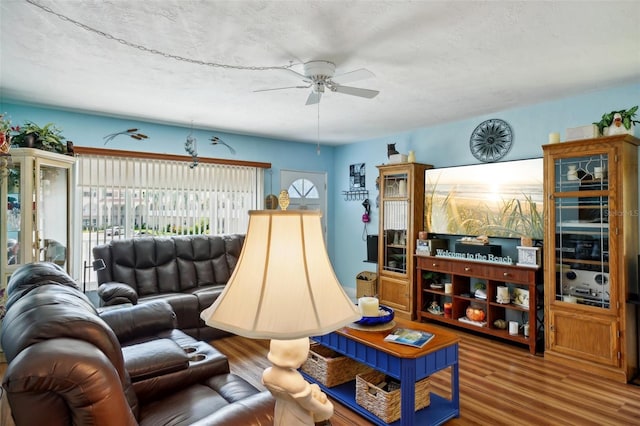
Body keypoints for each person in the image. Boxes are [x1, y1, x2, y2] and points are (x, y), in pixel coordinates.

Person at [262, 338, 333, 426]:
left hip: (280, 411)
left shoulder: (267, 374)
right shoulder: (295, 381)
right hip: (298, 417)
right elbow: (309, 404)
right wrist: (326, 410)